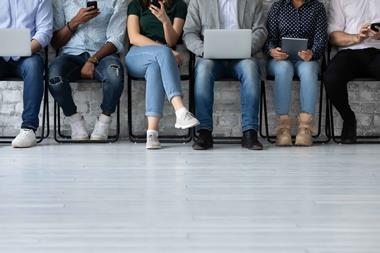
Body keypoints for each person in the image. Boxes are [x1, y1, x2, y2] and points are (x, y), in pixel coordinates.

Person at [183, 0, 267, 151]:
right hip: (211, 57)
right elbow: (189, 33)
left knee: (250, 69)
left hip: (243, 57)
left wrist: (247, 48)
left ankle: (250, 133)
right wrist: (204, 50)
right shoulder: (198, 1)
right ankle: (204, 132)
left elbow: (261, 30)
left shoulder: (253, 1)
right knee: (203, 70)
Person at [49, 0, 127, 141]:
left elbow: (116, 40)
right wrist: (75, 22)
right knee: (54, 77)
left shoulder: (117, 1)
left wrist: (93, 60)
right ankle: (75, 121)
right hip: (70, 55)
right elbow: (55, 43)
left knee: (115, 76)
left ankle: (104, 121)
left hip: (103, 55)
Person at [125, 0, 199, 149]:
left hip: (161, 60)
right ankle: (180, 110)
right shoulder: (136, 5)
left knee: (155, 68)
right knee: (163, 52)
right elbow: (134, 37)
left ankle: (151, 133)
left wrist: (165, 20)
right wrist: (167, 51)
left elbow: (172, 40)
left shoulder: (179, 6)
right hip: (137, 55)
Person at [264, 0, 328, 146]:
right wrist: (273, 51)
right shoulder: (278, 6)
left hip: (306, 60)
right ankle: (283, 128)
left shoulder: (317, 7)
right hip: (280, 60)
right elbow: (269, 38)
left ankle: (305, 128)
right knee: (284, 69)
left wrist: (312, 53)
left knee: (309, 70)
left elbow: (321, 39)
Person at [325, 0, 380, 144]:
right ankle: (349, 119)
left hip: (378, 51)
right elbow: (333, 36)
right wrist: (357, 37)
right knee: (332, 77)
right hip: (350, 51)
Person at [0, 0, 52, 148]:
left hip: (29, 54)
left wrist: (20, 49)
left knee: (34, 66)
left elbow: (45, 32)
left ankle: (28, 129)